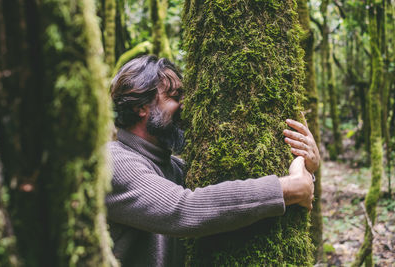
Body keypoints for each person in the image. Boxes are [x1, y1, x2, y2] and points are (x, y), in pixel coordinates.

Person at [105, 55, 320, 267]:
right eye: (174, 96)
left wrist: (307, 167)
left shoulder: (171, 167)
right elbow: (184, 209)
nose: (185, 106)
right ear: (140, 107)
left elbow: (217, 199)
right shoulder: (114, 161)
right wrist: (287, 188)